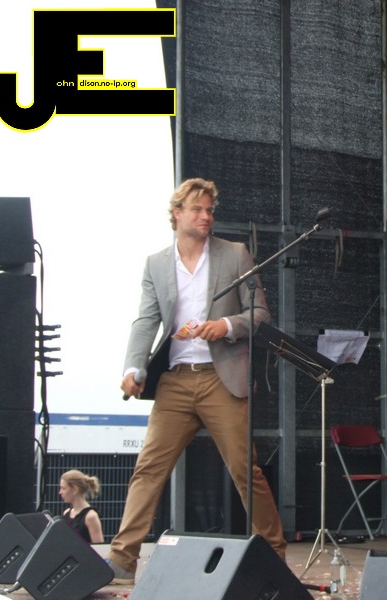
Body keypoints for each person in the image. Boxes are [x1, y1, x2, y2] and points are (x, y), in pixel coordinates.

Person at [107, 178, 286, 584]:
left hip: (221, 379)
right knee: (148, 469)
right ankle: (121, 560)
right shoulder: (156, 263)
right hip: (174, 381)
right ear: (177, 214)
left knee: (245, 471)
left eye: (210, 210)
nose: (206, 216)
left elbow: (260, 314)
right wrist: (133, 368)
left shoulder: (234, 254)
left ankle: (274, 556)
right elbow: (146, 320)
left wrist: (225, 326)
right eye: (197, 210)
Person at [59, 469, 104, 544]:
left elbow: (99, 547)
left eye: (63, 488)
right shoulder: (66, 513)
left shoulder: (91, 517)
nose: (60, 492)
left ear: (75, 490)